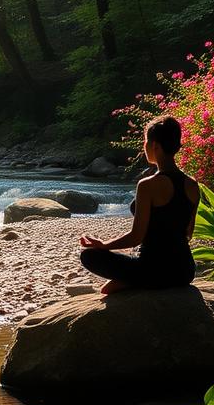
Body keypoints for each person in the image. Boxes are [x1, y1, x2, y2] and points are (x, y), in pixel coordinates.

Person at [79, 116, 200, 294]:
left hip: (152, 269)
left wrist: (104, 245)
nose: (144, 146)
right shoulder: (192, 184)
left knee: (89, 256)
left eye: (145, 141)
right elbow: (188, 233)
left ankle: (136, 280)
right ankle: (135, 280)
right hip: (184, 270)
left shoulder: (147, 185)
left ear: (155, 145)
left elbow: (136, 237)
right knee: (113, 284)